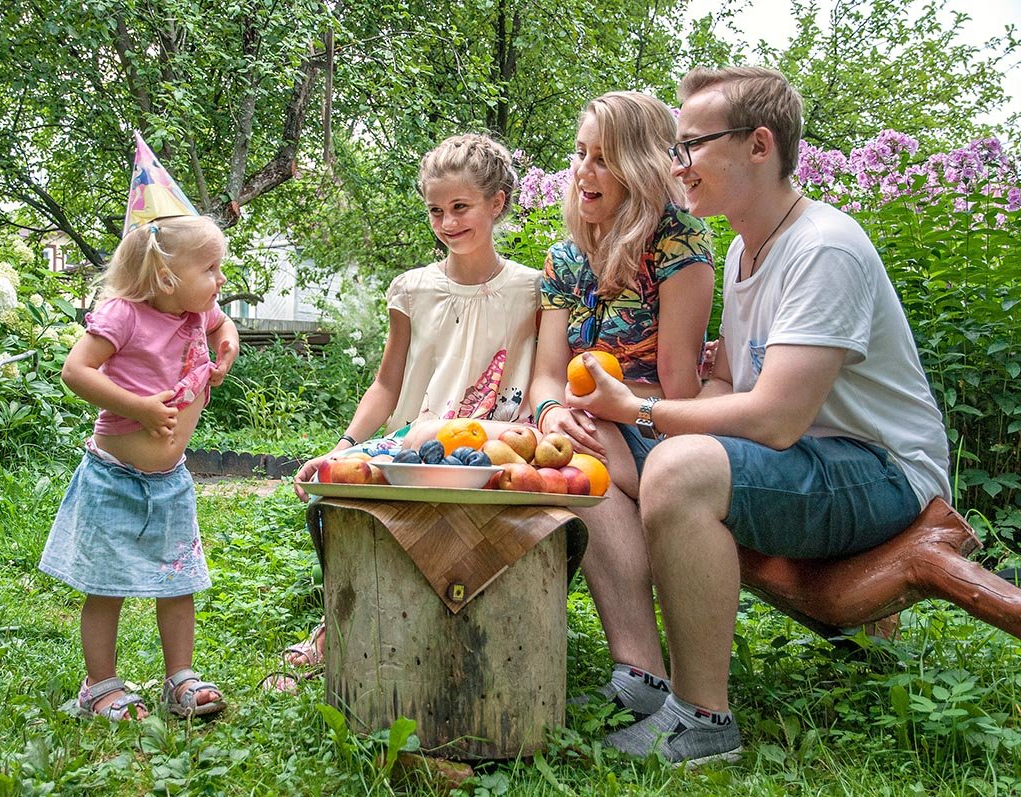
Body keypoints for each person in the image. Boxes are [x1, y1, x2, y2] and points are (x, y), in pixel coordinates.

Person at [566, 66, 950, 765]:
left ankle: (702, 718)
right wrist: (635, 422)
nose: (676, 165)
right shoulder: (746, 247)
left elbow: (774, 419)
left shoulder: (823, 247)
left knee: (679, 467)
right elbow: (721, 384)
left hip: (882, 472)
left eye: (690, 145)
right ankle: (647, 674)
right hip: (809, 461)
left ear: (758, 145)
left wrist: (642, 410)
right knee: (622, 450)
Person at [279, 133, 543, 683]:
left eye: (460, 207)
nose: (447, 222)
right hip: (413, 442)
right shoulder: (412, 289)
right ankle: (339, 622)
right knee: (333, 486)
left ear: (497, 203)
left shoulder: (533, 290)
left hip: (495, 446)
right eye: (435, 210)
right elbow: (386, 383)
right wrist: (345, 445)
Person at [526, 91, 715, 719]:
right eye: (580, 154)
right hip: (587, 427)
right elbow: (546, 374)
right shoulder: (564, 258)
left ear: (638, 165)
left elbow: (680, 390)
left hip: (655, 432)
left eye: (603, 159)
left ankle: (641, 670)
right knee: (571, 455)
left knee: (586, 459)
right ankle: (640, 668)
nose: (584, 171)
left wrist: (613, 407)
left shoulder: (678, 244)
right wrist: (553, 413)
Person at [39, 214, 240, 720]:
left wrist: (228, 341)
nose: (220, 280)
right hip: (113, 477)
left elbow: (222, 323)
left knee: (178, 583)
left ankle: (181, 678)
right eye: (212, 268)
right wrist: (138, 407)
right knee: (105, 587)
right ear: (167, 277)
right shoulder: (123, 314)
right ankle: (99, 686)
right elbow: (75, 370)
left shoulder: (199, 311)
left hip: (169, 482)